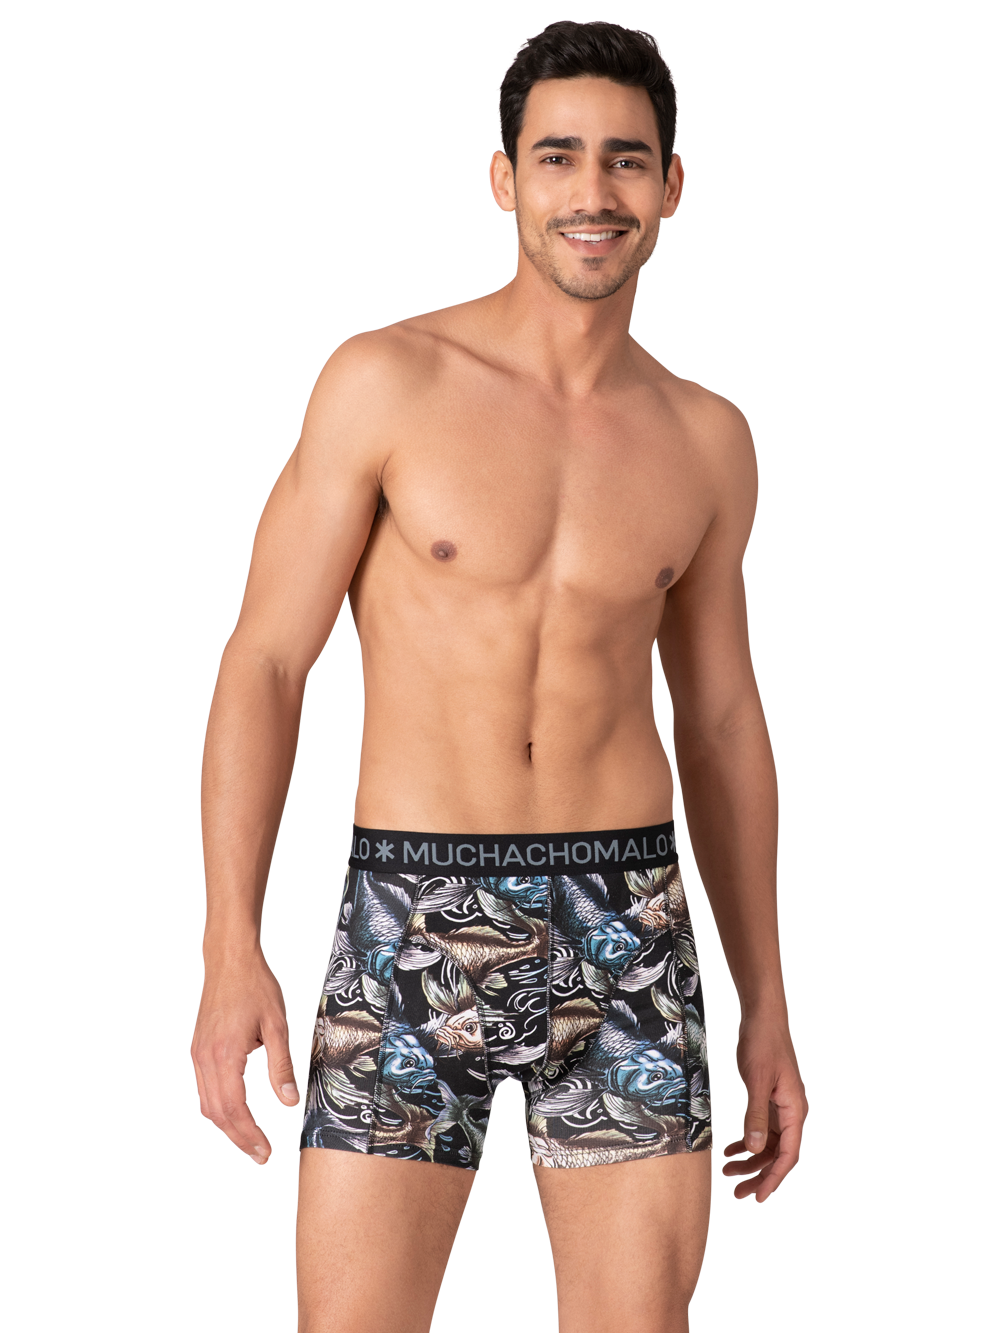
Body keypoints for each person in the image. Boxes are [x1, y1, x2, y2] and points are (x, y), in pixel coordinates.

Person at [192, 20, 807, 1333]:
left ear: (671, 186)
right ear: (505, 179)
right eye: (560, 156)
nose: (594, 191)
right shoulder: (387, 384)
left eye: (626, 160)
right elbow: (267, 662)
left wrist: (769, 1003)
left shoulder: (705, 438)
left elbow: (718, 720)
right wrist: (232, 949)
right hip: (414, 916)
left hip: (628, 923)